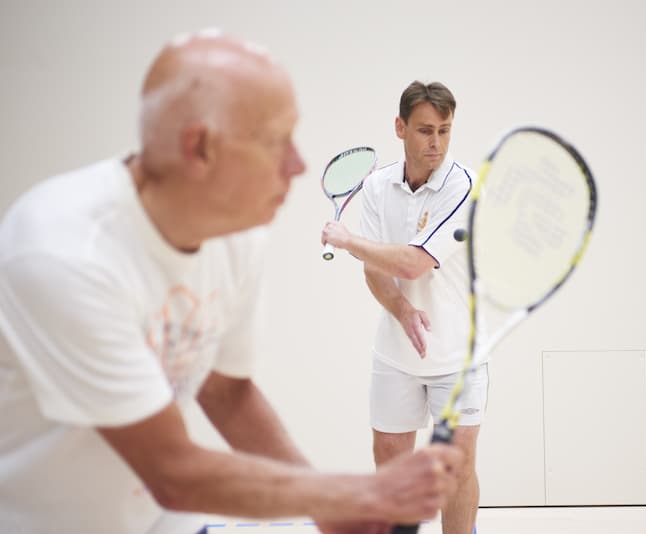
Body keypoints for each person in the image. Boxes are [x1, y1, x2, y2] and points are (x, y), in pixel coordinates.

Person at [0, 31, 464, 534]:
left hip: (162, 518)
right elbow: (172, 470)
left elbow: (226, 392)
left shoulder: (235, 233)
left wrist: (325, 511)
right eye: (275, 141)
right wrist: (343, 495)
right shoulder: (64, 254)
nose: (299, 165)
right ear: (199, 148)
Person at [320, 81, 487, 534]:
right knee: (392, 472)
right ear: (400, 128)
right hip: (396, 354)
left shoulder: (463, 186)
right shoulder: (376, 187)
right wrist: (403, 312)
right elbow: (375, 270)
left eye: (445, 131)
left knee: (454, 471)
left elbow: (413, 264)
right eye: (425, 130)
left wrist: (349, 240)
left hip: (457, 356)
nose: (435, 143)